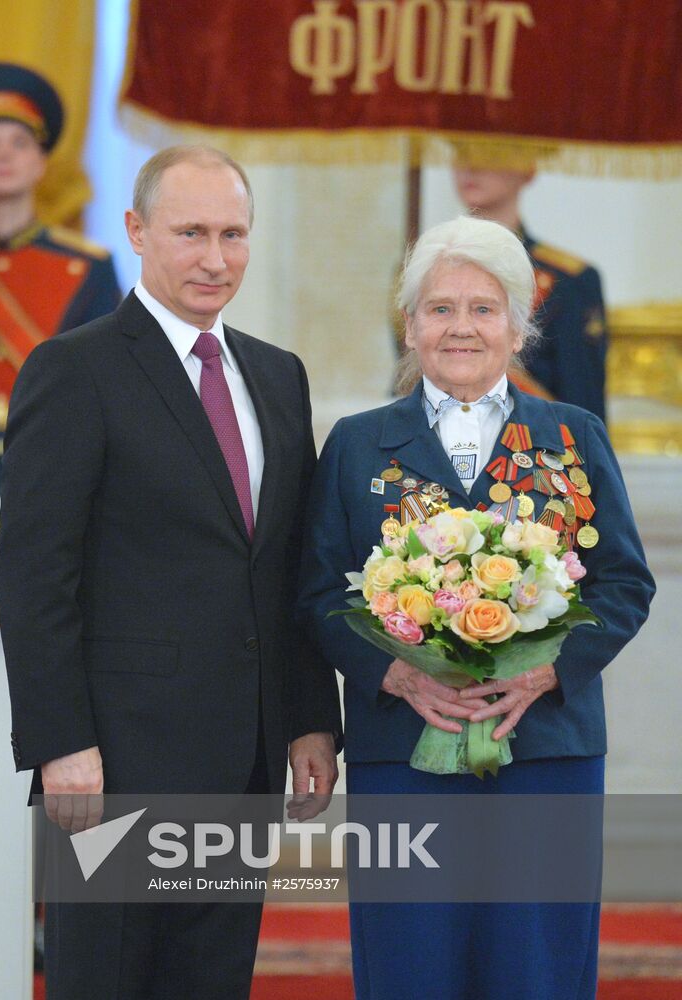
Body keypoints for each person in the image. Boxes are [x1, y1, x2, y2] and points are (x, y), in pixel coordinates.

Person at [0, 145, 341, 999]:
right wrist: (60, 741)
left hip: (247, 761)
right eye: (191, 233)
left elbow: (287, 566)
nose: (215, 258)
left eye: (233, 234)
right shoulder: (75, 369)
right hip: (116, 763)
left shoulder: (277, 374)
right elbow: (36, 574)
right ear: (136, 232)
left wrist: (309, 717)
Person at [300, 216, 654, 1000]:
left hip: (547, 751)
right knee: (410, 967)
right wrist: (395, 675)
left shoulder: (573, 435)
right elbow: (318, 593)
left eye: (484, 308)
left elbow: (625, 583)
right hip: (403, 751)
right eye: (440, 307)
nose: (461, 326)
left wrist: (547, 672)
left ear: (520, 326)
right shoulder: (358, 445)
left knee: (538, 970)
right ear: (409, 324)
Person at [0, 61, 121, 974]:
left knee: (63, 714)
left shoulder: (84, 270)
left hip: (59, 502)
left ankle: (53, 908)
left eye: (18, 143)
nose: (1, 157)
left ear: (43, 162)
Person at [453, 159, 609, 419]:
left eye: (490, 153)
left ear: (527, 169)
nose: (470, 166)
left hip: (533, 447)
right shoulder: (424, 270)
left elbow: (582, 399)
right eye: (460, 154)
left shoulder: (569, 281)